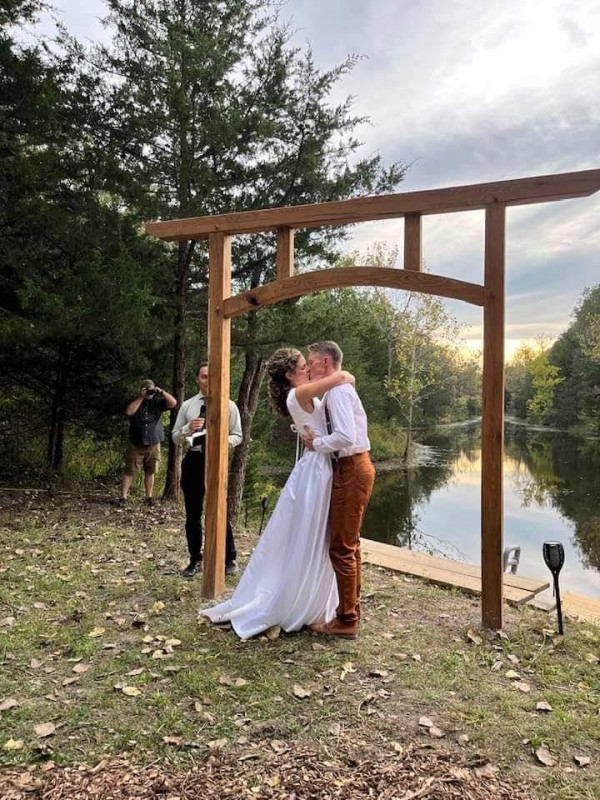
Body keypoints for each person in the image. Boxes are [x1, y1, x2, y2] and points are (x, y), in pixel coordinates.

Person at [201, 348, 355, 640]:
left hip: (320, 463)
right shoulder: (298, 394)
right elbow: (343, 377)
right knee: (311, 535)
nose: (308, 368)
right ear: (290, 373)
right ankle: (295, 599)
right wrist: (343, 374)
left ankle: (312, 596)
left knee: (314, 535)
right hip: (317, 470)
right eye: (302, 365)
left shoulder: (302, 392)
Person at [303, 341, 375, 640]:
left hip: (352, 468)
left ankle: (346, 620)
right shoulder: (336, 391)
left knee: (342, 547)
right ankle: (350, 611)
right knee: (350, 543)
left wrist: (317, 444)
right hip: (353, 467)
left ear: (326, 361)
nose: (308, 368)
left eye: (311, 362)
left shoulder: (339, 392)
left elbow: (346, 435)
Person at [172, 364, 243, 578]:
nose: (207, 380)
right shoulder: (188, 406)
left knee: (219, 508)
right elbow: (175, 437)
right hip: (193, 459)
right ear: (197, 379)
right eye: (203, 376)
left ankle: (229, 558)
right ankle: (195, 559)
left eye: (211, 376)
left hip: (216, 460)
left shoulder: (228, 405)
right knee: (193, 513)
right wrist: (188, 429)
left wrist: (222, 442)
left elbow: (238, 435)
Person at [118, 379, 177, 506]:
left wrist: (162, 392)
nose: (149, 390)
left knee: (150, 471)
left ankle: (149, 497)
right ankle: (123, 498)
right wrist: (141, 397)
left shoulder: (158, 402)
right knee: (129, 471)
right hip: (136, 443)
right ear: (142, 389)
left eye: (151, 388)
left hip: (153, 442)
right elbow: (129, 412)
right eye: (147, 388)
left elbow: (173, 403)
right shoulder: (136, 401)